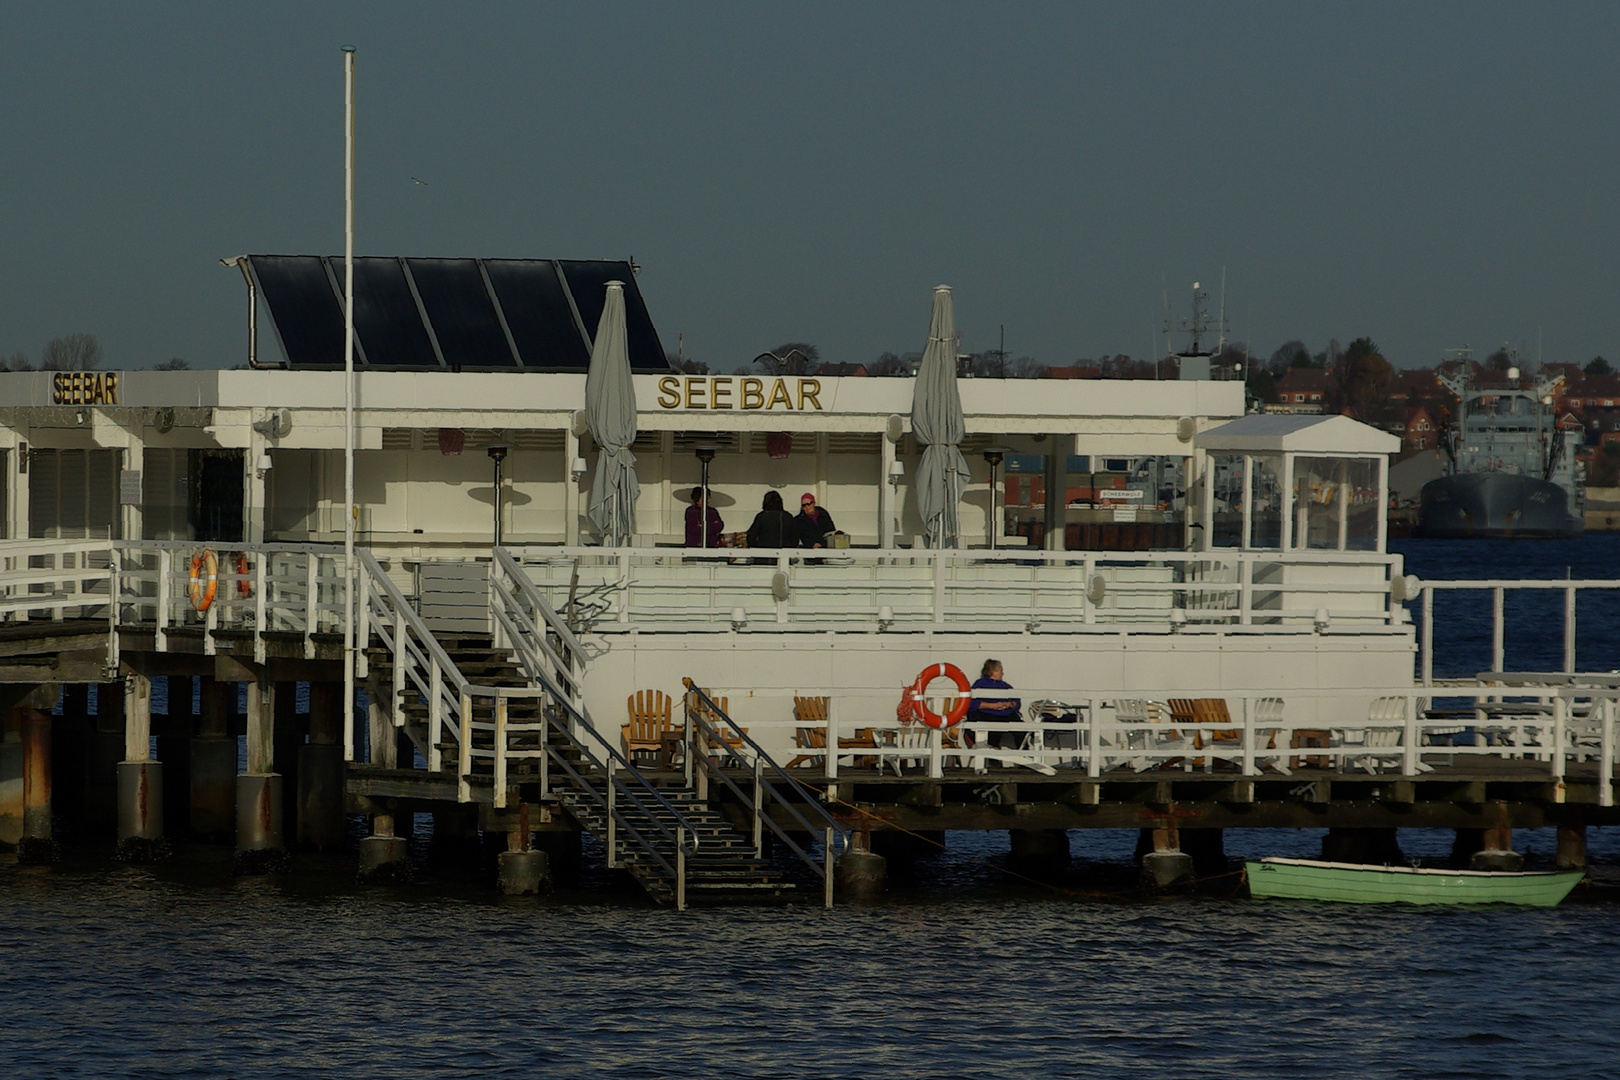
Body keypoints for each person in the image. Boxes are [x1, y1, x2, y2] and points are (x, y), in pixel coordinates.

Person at [968, 659, 1021, 749]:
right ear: (993, 671)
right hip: (987, 714)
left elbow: (1017, 701)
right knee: (993, 730)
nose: (1003, 673)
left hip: (1006, 714)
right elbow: (971, 703)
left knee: (1020, 729)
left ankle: (1025, 755)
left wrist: (1009, 704)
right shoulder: (980, 684)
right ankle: (994, 760)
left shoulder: (1005, 686)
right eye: (1001, 670)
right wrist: (993, 706)